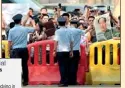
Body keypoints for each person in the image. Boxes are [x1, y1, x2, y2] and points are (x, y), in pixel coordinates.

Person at [8, 14, 36, 86]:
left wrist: (8, 51)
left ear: (14, 22)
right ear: (20, 21)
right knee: (24, 65)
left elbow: (9, 42)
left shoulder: (11, 30)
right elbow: (34, 29)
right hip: (23, 49)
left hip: (15, 50)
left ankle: (16, 80)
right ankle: (25, 81)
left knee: (16, 66)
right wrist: (33, 23)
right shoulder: (25, 29)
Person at [53, 17, 74, 87]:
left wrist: (54, 50)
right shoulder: (69, 31)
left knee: (61, 66)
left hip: (60, 51)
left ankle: (62, 81)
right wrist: (71, 51)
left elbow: (56, 41)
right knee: (66, 66)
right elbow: (71, 42)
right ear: (65, 23)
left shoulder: (57, 31)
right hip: (67, 51)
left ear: (58, 23)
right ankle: (66, 81)